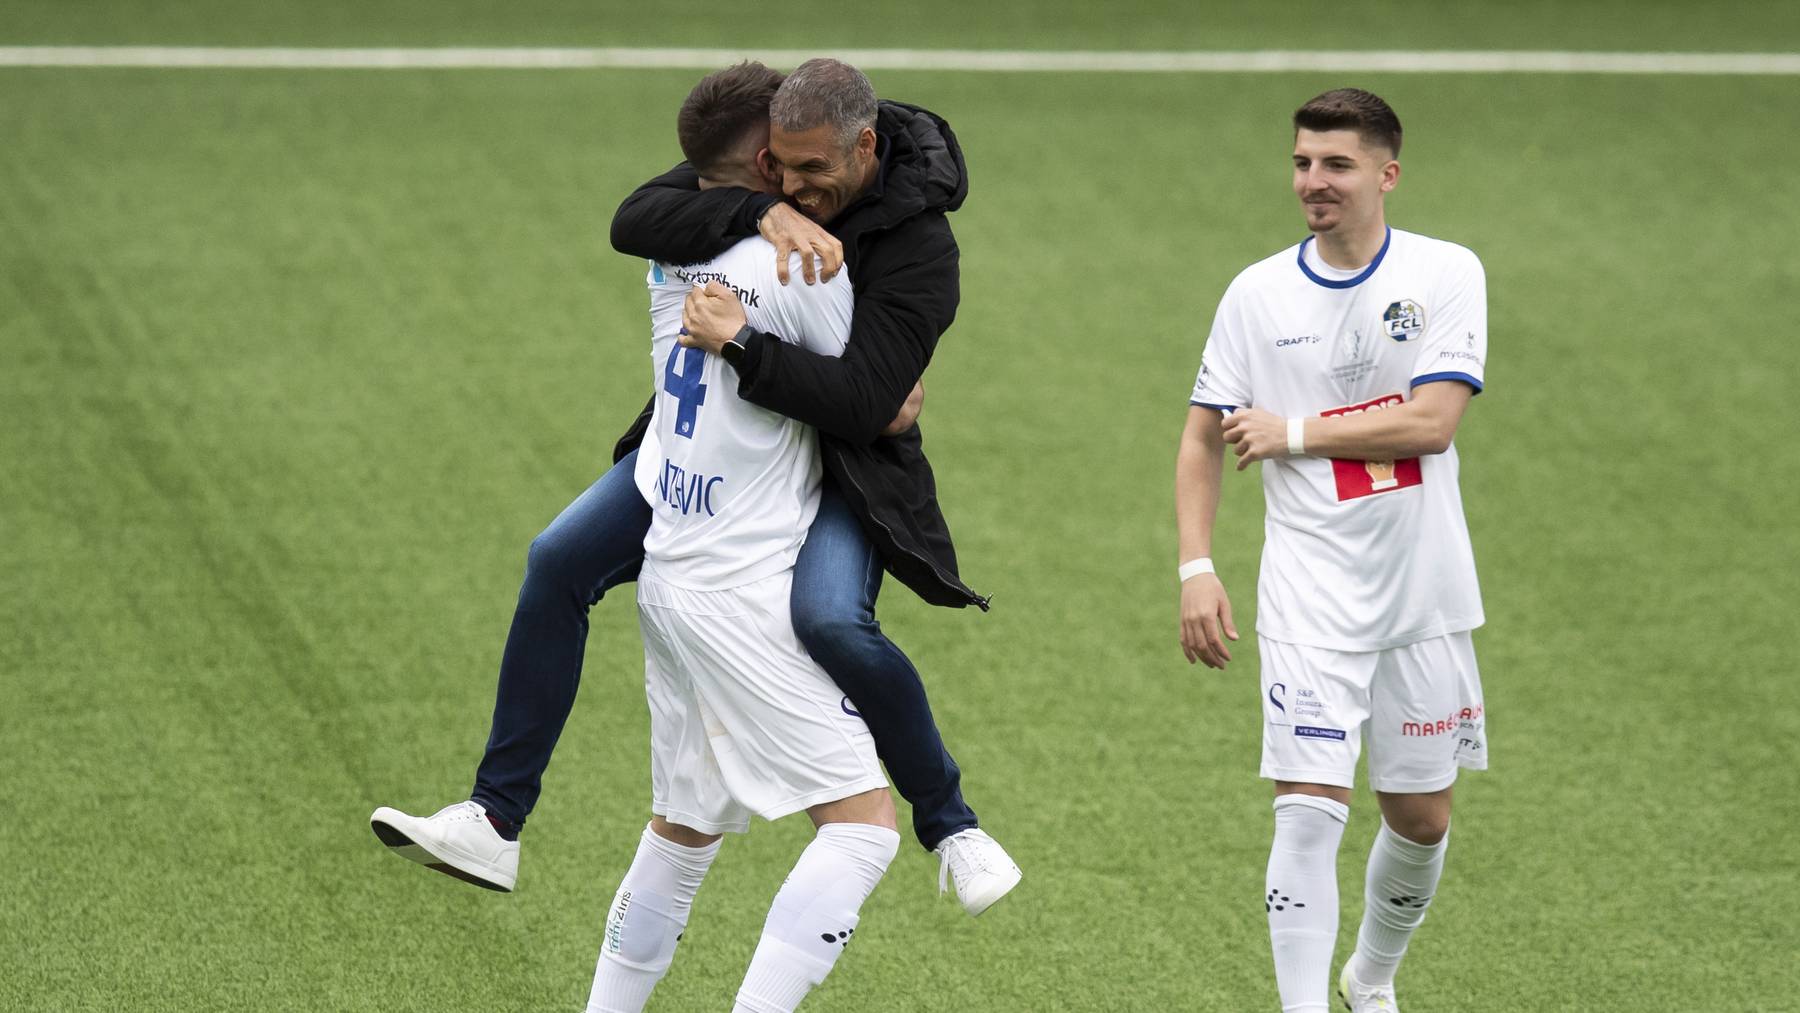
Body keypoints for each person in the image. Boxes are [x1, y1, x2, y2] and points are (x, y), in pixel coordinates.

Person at [370, 58, 1020, 918]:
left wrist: (742, 342)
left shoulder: (920, 244)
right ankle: (494, 819)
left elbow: (868, 405)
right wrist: (763, 210)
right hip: (720, 448)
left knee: (828, 618)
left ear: (863, 147)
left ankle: (953, 826)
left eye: (809, 174)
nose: (792, 182)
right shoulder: (778, 158)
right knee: (557, 558)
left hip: (841, 466)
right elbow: (636, 217)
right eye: (775, 170)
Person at [565, 63, 904, 1013]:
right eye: (790, 161)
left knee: (683, 826)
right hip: (739, 591)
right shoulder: (796, 266)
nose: (803, 182)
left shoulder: (672, 259)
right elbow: (879, 401)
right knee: (864, 826)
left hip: (671, 574)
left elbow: (656, 213)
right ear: (765, 160)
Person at [1173, 88, 1489, 1013]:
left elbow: (1433, 422)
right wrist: (1197, 565)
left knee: (1421, 817)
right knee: (1309, 810)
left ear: (1386, 174)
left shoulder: (1445, 272)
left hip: (1422, 591)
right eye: (1305, 162)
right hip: (1311, 591)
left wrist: (1294, 432)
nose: (1315, 181)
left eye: (1338, 164)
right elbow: (1202, 438)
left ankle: (1372, 977)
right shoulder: (1257, 293)